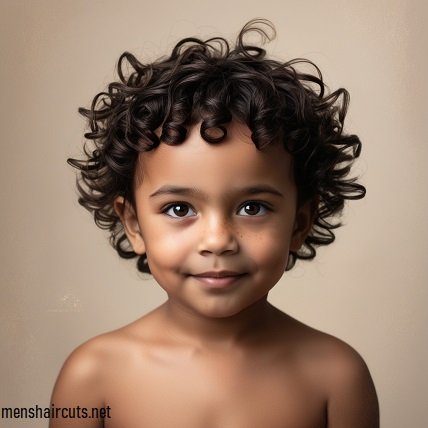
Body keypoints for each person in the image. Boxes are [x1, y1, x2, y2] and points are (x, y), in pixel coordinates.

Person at [50, 19, 379, 428]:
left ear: (299, 223)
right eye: (179, 209)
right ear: (133, 224)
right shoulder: (92, 377)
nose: (217, 240)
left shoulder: (337, 377)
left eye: (253, 208)